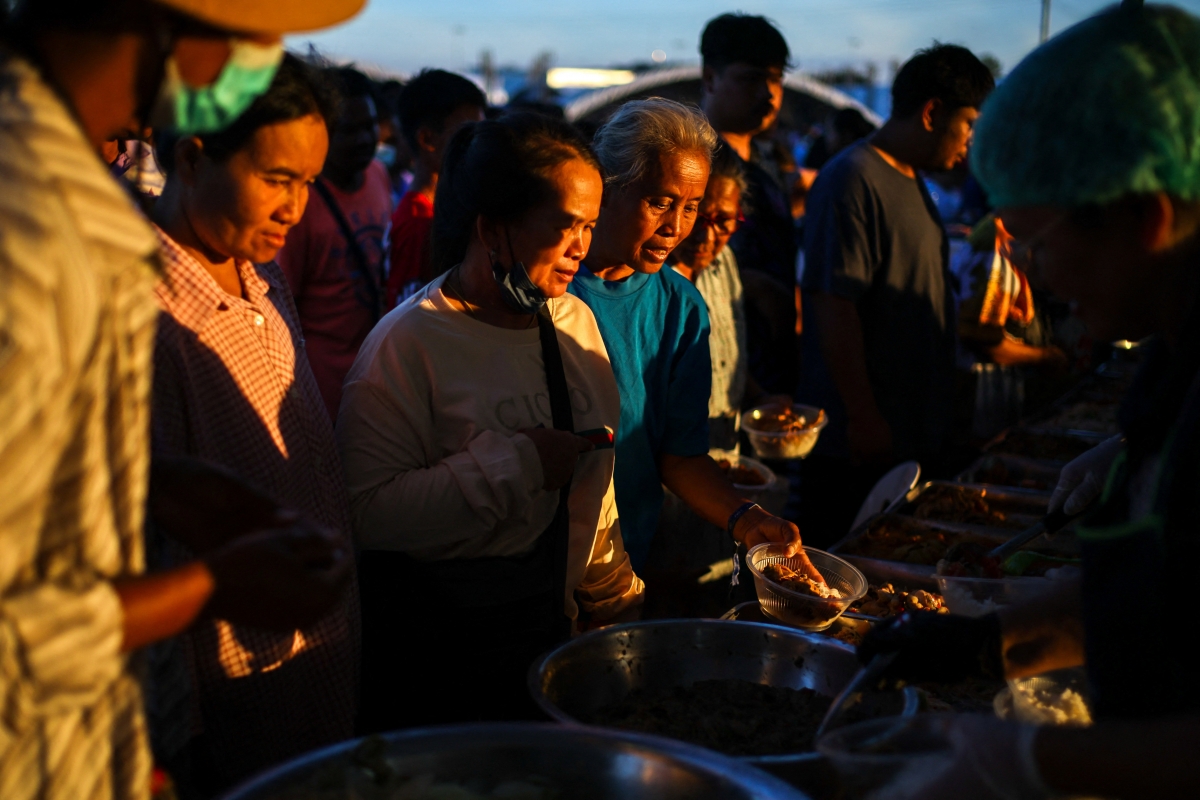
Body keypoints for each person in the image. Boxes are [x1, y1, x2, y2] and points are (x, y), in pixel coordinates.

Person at [0, 0, 361, 798]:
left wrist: (168, 488)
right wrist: (207, 588)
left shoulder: (70, 194)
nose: (270, 55)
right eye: (267, 28)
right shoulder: (34, 215)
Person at [858, 6, 1200, 798]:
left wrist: (1025, 762)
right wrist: (988, 644)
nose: (1036, 278)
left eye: (1040, 244)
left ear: (1146, 221)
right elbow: (1159, 592)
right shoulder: (1174, 354)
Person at [337, 113, 643, 732]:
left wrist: (608, 577)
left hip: (545, 635)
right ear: (492, 230)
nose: (582, 247)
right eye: (564, 226)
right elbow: (367, 514)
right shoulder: (405, 346)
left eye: (589, 225)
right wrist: (519, 464)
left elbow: (594, 471)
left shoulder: (573, 323)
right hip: (434, 657)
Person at [149, 54, 359, 795]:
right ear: (191, 157)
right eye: (277, 180)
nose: (295, 210)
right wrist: (183, 736)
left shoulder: (264, 275)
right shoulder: (149, 314)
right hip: (227, 701)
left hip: (320, 665)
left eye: (308, 184)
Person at [567, 98, 803, 574]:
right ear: (607, 189)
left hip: (626, 556)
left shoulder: (680, 307)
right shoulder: (554, 286)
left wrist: (745, 518)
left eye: (691, 207)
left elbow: (680, 458)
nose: (676, 228)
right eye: (660, 202)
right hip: (546, 558)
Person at [796, 44, 994, 546]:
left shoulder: (912, 180)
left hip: (908, 433)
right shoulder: (853, 178)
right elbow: (833, 304)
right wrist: (863, 416)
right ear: (932, 113)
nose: (970, 141)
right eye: (968, 123)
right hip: (863, 444)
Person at [278, 65, 391, 422]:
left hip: (377, 373)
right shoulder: (301, 201)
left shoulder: (378, 174)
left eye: (369, 126)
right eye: (348, 130)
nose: (363, 139)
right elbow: (284, 303)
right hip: (324, 386)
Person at [699, 12, 798, 397]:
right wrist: (752, 285)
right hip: (718, 369)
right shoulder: (691, 163)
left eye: (775, 79)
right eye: (751, 78)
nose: (769, 94)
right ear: (710, 78)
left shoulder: (764, 161)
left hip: (773, 365)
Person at [669, 143, 783, 450]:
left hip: (725, 452)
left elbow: (726, 356)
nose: (707, 237)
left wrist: (759, 398)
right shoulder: (650, 281)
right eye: (698, 217)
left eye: (723, 222)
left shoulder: (724, 263)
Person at [386, 69, 486, 306]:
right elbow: (411, 315)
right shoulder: (419, 223)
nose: (480, 144)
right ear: (428, 139)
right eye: (467, 134)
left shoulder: (432, 212)